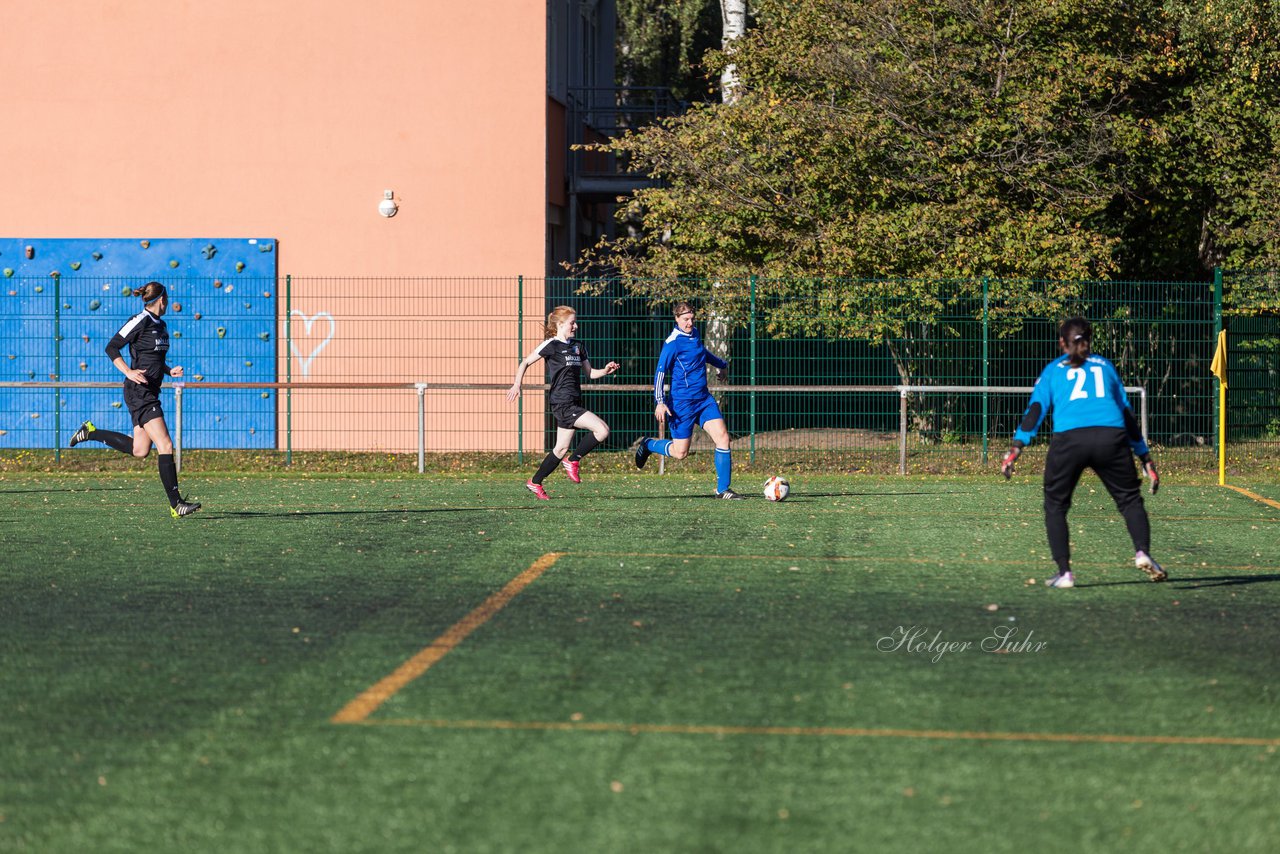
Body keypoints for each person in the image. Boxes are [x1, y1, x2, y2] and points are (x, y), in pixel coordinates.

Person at [1001, 316, 1163, 588]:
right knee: (1129, 500)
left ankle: (1064, 573)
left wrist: (1016, 448)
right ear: (1089, 340)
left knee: (1055, 505)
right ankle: (1142, 552)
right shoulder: (1106, 366)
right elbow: (1126, 412)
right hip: (1112, 437)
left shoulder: (1053, 369)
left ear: (1061, 342)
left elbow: (1036, 410)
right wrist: (1144, 457)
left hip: (1070, 440)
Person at [68, 281, 201, 517]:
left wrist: (169, 371)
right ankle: (176, 504)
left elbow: (152, 359)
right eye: (168, 298)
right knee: (166, 445)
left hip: (150, 391)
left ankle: (90, 432)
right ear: (163, 299)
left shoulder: (162, 325)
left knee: (139, 450)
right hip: (139, 392)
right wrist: (128, 372)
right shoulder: (140, 320)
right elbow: (112, 347)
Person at [507, 306, 620, 499]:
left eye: (575, 322)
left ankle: (535, 482)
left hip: (573, 401)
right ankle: (574, 460)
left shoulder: (578, 346)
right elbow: (525, 362)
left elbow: (590, 373)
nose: (575, 326)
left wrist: (605, 370)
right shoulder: (551, 345)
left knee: (559, 449)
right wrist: (517, 384)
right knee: (602, 430)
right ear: (560, 324)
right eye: (571, 323)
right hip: (562, 403)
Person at [634, 301, 742, 499]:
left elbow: (702, 353)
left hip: (703, 400)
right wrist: (659, 401)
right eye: (685, 319)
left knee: (723, 437)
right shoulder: (672, 343)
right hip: (682, 404)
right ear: (676, 319)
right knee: (680, 453)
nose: (690, 323)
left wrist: (721, 364)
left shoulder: (695, 334)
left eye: (692, 318)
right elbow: (660, 373)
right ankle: (648, 444)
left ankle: (723, 490)